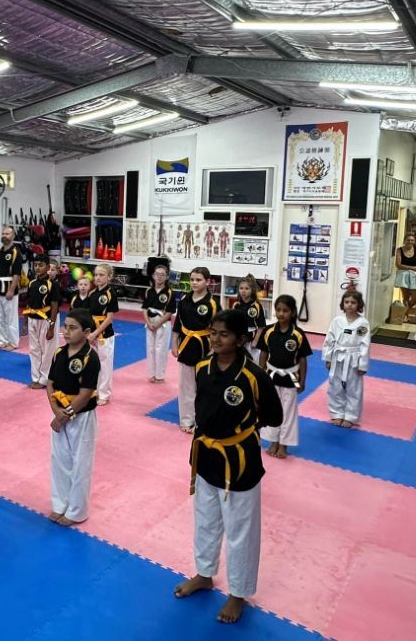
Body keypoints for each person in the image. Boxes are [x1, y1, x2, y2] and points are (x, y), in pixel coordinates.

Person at [173, 309, 282, 624]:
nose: (215, 338)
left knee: (240, 531)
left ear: (241, 339)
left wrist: (242, 430)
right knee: (206, 521)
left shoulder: (253, 376)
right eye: (213, 332)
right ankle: (205, 573)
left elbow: (274, 416)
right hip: (206, 456)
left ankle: (238, 593)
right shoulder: (203, 366)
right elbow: (201, 408)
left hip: (240, 461)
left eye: (223, 334)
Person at [46, 308, 101, 527]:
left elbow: (86, 393)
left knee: (81, 463)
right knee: (59, 460)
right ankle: (60, 504)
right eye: (65, 326)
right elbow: (50, 384)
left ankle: (77, 511)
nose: (66, 332)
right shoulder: (59, 353)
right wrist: (55, 410)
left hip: (81, 415)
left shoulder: (91, 358)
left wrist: (64, 416)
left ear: (86, 331)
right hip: (59, 412)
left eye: (72, 328)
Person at [257, 295, 312, 459]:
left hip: (291, 376)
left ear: (293, 312)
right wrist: (260, 375)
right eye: (278, 310)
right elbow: (263, 354)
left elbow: (302, 359)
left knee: (288, 412)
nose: (281, 314)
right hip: (271, 375)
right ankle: (273, 441)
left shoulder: (298, 334)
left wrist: (302, 380)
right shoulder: (268, 331)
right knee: (271, 410)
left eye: (285, 310)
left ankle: (284, 444)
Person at [172, 267, 216, 433]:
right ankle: (186, 420)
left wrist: (214, 351)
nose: (194, 283)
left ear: (207, 281)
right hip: (186, 346)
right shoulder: (184, 300)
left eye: (198, 280)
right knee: (186, 387)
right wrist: (174, 344)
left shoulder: (212, 303)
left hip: (205, 347)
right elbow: (178, 324)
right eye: (192, 279)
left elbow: (216, 329)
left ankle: (201, 421)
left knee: (203, 387)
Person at [323, 291, 371, 428]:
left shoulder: (363, 323)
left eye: (353, 302)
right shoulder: (337, 321)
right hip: (338, 357)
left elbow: (365, 344)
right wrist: (328, 357)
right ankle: (336, 413)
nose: (349, 305)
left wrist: (363, 365)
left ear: (359, 305)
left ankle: (350, 416)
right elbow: (329, 340)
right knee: (335, 386)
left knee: (354, 388)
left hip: (354, 358)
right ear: (343, 304)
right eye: (347, 302)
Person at [24, 256, 60, 390]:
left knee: (48, 350)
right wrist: (25, 323)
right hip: (32, 318)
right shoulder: (32, 283)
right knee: (34, 350)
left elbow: (55, 306)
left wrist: (52, 327)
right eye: (36, 265)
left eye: (41, 265)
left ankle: (45, 379)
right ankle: (35, 377)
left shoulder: (52, 284)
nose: (37, 268)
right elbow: (28, 303)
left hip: (46, 319)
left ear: (47, 267)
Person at [86, 263, 118, 406]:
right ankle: (95, 390)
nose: (97, 277)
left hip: (104, 334)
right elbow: (88, 315)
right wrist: (88, 333)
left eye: (101, 275)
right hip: (92, 332)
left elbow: (109, 318)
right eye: (96, 275)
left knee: (105, 365)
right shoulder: (92, 293)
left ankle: (104, 393)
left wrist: (96, 333)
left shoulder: (110, 293)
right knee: (94, 364)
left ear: (109, 277)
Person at [0, 226, 23, 350]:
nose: (4, 235)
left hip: (9, 287)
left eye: (7, 234)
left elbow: (17, 274)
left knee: (10, 317)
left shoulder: (15, 253)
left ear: (13, 236)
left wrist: (11, 289)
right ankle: (2, 341)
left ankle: (13, 342)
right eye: (3, 233)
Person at [143, 265, 176, 384]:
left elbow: (170, 312)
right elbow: (144, 309)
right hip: (150, 322)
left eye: (162, 275)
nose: (159, 277)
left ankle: (160, 375)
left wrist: (157, 323)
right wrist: (148, 322)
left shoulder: (169, 292)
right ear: (153, 276)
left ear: (167, 277)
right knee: (150, 348)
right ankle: (151, 374)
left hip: (162, 322)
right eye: (157, 274)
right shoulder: (148, 291)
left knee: (160, 349)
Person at [233, 275, 266, 360]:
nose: (243, 291)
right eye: (241, 288)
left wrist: (255, 341)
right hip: (239, 335)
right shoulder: (236, 305)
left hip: (252, 337)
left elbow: (261, 326)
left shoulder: (257, 306)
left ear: (252, 290)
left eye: (247, 289)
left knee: (254, 362)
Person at [394, 233, 416, 314]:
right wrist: (413, 268)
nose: (410, 242)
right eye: (408, 240)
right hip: (403, 275)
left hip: (415, 275)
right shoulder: (399, 250)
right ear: (404, 241)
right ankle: (405, 315)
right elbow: (398, 265)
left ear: (414, 241)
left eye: (412, 240)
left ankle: (405, 311)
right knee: (406, 296)